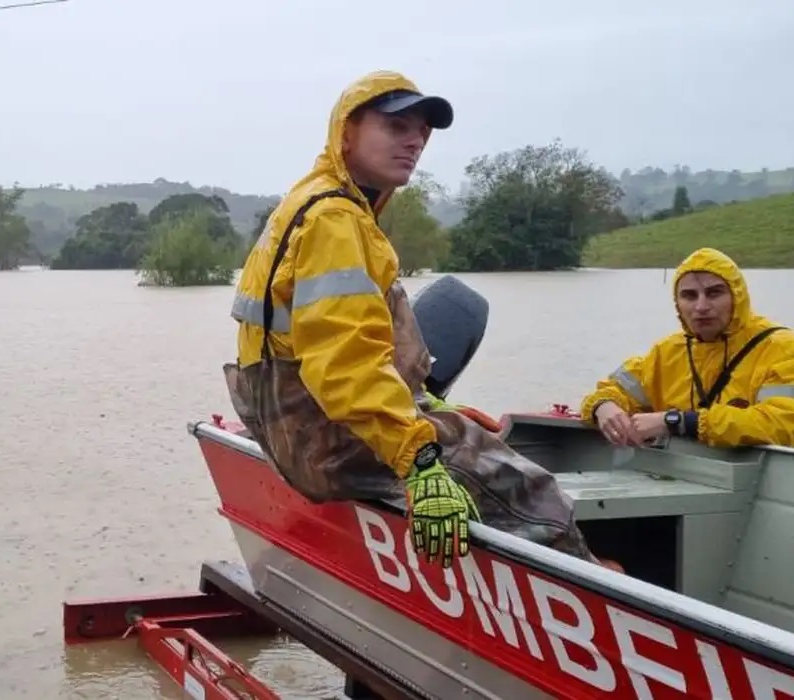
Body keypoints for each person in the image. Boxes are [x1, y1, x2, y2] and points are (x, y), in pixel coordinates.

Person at [223, 70, 602, 571]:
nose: (415, 140)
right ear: (347, 132)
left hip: (301, 423)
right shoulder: (334, 221)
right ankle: (603, 599)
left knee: (468, 437)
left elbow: (344, 340)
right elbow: (345, 365)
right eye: (396, 125)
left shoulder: (321, 202)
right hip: (331, 437)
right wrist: (419, 459)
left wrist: (431, 405)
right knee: (534, 494)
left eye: (422, 130)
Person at [581, 247, 794, 450]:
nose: (701, 306)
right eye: (689, 296)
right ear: (677, 303)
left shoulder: (788, 351)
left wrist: (678, 422)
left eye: (714, 293)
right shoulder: (666, 353)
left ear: (737, 296)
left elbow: (787, 425)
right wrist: (604, 407)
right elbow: (610, 391)